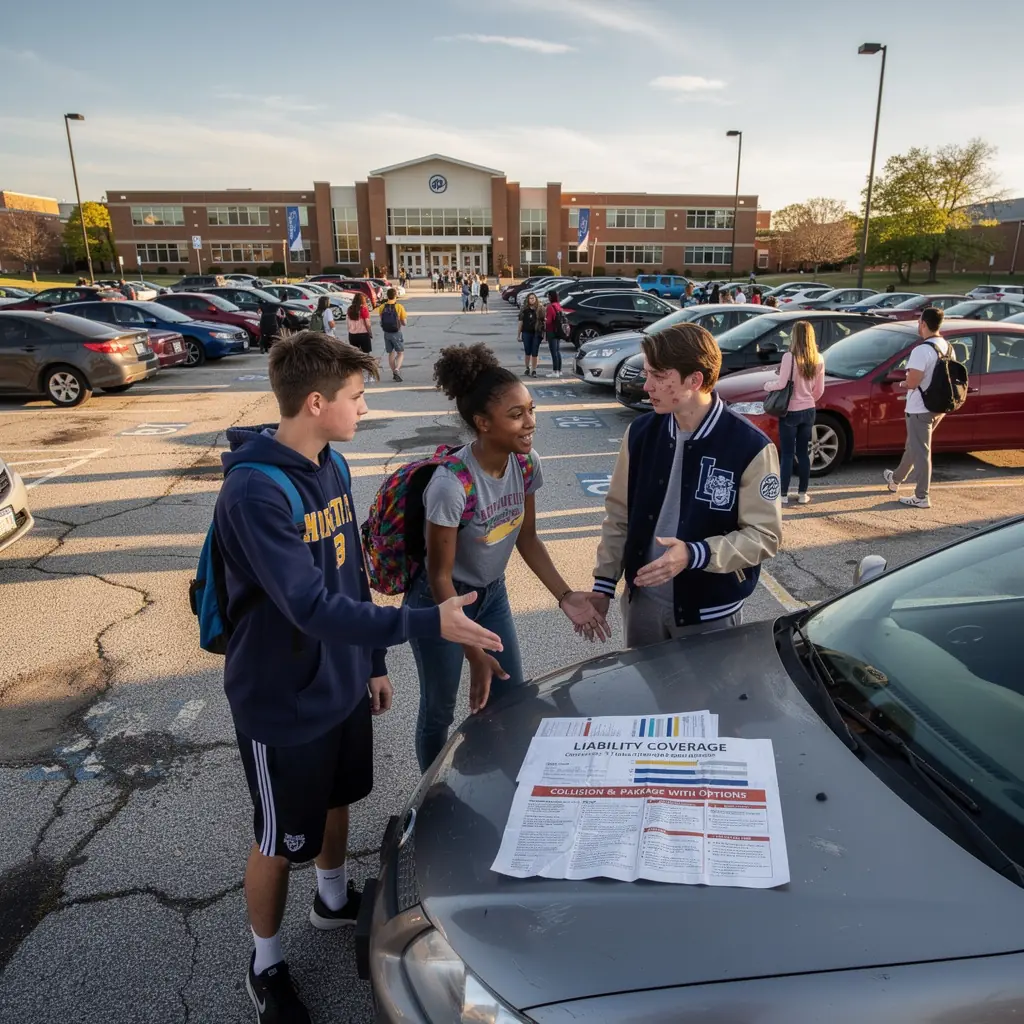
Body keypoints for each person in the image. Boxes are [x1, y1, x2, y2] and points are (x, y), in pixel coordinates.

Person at [213, 332, 504, 1023]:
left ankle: (332, 898)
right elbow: (309, 607)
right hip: (282, 700)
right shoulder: (254, 492)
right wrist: (428, 622)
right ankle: (265, 964)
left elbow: (348, 576)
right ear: (316, 403)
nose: (365, 407)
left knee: (340, 796)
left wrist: (371, 662)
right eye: (356, 396)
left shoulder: (332, 464)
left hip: (342, 680)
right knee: (279, 840)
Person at [404, 343, 610, 770]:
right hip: (441, 602)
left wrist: (564, 595)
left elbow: (527, 539)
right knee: (440, 710)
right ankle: (430, 795)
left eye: (530, 410)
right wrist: (473, 652)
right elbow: (439, 575)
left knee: (512, 695)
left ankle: (506, 778)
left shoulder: (526, 463)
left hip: (491, 595)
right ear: (483, 423)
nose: (530, 422)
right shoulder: (451, 485)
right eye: (516, 415)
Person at [586, 322, 782, 647]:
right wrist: (604, 583)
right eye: (647, 374)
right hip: (642, 603)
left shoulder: (750, 446)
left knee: (705, 684)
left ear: (695, 380)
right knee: (643, 681)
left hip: (710, 612)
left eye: (659, 376)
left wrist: (695, 554)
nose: (647, 385)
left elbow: (764, 537)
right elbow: (619, 514)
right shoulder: (640, 434)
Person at [884, 306, 949, 509]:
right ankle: (895, 479)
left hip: (920, 408)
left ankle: (922, 496)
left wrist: (902, 382)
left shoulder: (921, 350)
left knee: (920, 451)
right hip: (938, 406)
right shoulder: (946, 346)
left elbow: (912, 382)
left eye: (919, 322)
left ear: (924, 324)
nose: (918, 326)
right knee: (914, 446)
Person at [763, 320, 824, 505]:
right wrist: (808, 398)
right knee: (803, 453)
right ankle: (803, 493)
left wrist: (767, 385)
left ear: (795, 336)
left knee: (788, 454)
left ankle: (782, 494)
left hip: (790, 411)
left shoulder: (789, 357)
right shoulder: (819, 358)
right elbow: (819, 390)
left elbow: (782, 384)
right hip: (809, 410)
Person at [375, 287, 407, 382]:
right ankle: (397, 369)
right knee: (400, 353)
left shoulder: (382, 307)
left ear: (387, 296)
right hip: (396, 332)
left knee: (391, 353)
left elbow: (382, 319)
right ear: (395, 295)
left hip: (387, 333)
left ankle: (393, 372)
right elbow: (404, 322)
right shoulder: (399, 307)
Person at [517, 292, 544, 376]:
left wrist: (544, 335)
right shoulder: (524, 309)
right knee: (527, 351)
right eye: (530, 298)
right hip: (526, 332)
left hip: (536, 333)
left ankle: (534, 370)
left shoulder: (540, 308)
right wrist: (518, 335)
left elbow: (543, 321)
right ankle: (527, 368)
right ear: (528, 300)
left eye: (533, 298)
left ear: (536, 299)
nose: (532, 300)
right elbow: (520, 322)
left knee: (535, 351)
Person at [544, 289, 565, 378]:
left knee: (553, 352)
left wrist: (543, 319)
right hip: (558, 330)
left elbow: (549, 321)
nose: (547, 297)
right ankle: (559, 370)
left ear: (550, 297)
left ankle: (555, 371)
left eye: (548, 296)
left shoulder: (550, 307)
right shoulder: (558, 305)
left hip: (551, 330)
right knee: (557, 351)